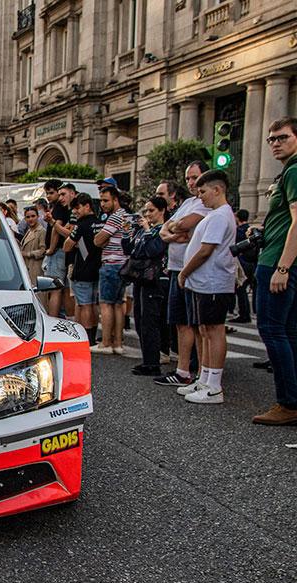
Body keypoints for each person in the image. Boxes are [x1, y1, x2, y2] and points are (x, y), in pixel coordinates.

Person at [252, 117, 297, 426]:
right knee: (285, 331)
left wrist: (283, 266)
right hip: (288, 261)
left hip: (285, 263)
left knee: (272, 330)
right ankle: (289, 400)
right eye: (271, 139)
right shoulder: (293, 171)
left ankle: (288, 403)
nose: (275, 143)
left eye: (282, 137)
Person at [176, 170, 238, 405]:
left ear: (217, 190)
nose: (200, 196)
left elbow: (205, 250)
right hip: (204, 283)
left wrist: (184, 272)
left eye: (203, 191)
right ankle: (205, 379)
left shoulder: (221, 215)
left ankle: (214, 385)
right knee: (204, 330)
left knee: (213, 330)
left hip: (214, 282)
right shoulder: (215, 215)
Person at [154, 161, 211, 388]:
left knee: (195, 324)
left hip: (191, 269)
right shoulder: (189, 201)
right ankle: (183, 370)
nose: (191, 182)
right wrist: (174, 232)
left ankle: (198, 372)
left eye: (194, 177)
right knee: (180, 321)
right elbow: (165, 228)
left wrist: (174, 230)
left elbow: (184, 225)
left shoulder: (207, 204)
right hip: (177, 268)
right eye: (188, 178)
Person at [125, 196, 170, 376]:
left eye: (151, 210)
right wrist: (130, 232)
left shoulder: (162, 229)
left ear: (162, 211)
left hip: (156, 279)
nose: (147, 214)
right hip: (141, 278)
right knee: (140, 319)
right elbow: (131, 250)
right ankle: (147, 359)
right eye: (146, 211)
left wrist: (147, 230)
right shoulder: (146, 231)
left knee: (150, 321)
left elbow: (154, 250)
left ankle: (153, 362)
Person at [92, 186, 129, 354]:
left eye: (106, 200)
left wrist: (102, 239)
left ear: (116, 200)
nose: (102, 204)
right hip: (123, 264)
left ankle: (106, 343)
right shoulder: (126, 216)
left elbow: (98, 241)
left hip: (111, 264)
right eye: (101, 200)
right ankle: (118, 343)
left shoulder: (115, 217)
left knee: (106, 304)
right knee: (118, 304)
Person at [62, 193, 101, 340]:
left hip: (83, 269)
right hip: (98, 268)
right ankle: (93, 335)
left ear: (87, 206)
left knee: (84, 304)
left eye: (77, 208)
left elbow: (66, 246)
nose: (75, 212)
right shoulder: (100, 223)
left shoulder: (81, 225)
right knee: (94, 304)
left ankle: (86, 337)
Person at [42, 180, 70, 318]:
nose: (48, 196)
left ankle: (53, 319)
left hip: (57, 252)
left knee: (54, 289)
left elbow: (56, 230)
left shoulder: (59, 207)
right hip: (60, 252)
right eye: (47, 193)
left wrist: (51, 249)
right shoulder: (58, 207)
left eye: (51, 193)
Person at [19, 205, 47, 304]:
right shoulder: (29, 231)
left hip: (36, 268)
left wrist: (27, 254)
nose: (31, 219)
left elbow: (43, 250)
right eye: (28, 217)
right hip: (28, 267)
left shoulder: (41, 231)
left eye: (33, 216)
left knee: (39, 297)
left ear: (38, 216)